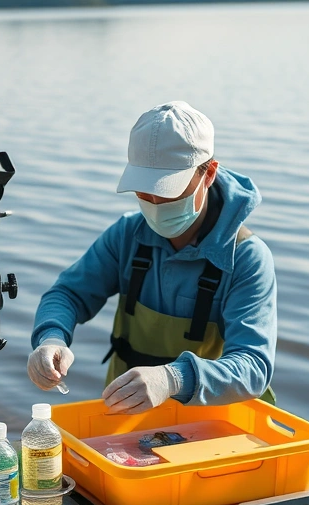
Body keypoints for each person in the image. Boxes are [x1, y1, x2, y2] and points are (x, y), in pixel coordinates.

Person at [27, 101, 277, 414]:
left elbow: (253, 366)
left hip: (213, 422)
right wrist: (51, 339)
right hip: (127, 416)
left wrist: (173, 378)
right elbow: (69, 293)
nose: (156, 204)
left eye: (169, 192)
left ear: (209, 173)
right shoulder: (127, 234)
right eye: (145, 193)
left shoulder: (248, 259)